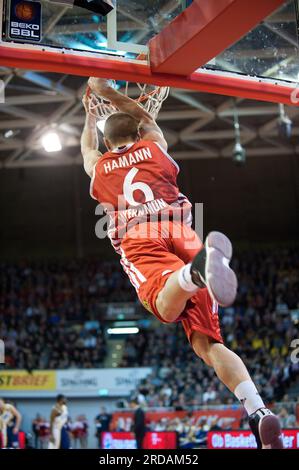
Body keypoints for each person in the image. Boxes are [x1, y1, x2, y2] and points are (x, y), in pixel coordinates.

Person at [81, 77, 283, 449]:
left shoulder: (99, 167)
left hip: (140, 237)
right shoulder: (155, 145)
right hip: (183, 231)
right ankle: (258, 412)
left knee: (163, 308)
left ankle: (192, 274)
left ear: (107, 141)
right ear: (139, 131)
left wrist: (88, 110)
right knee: (207, 344)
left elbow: (86, 150)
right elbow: (142, 117)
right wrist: (109, 94)